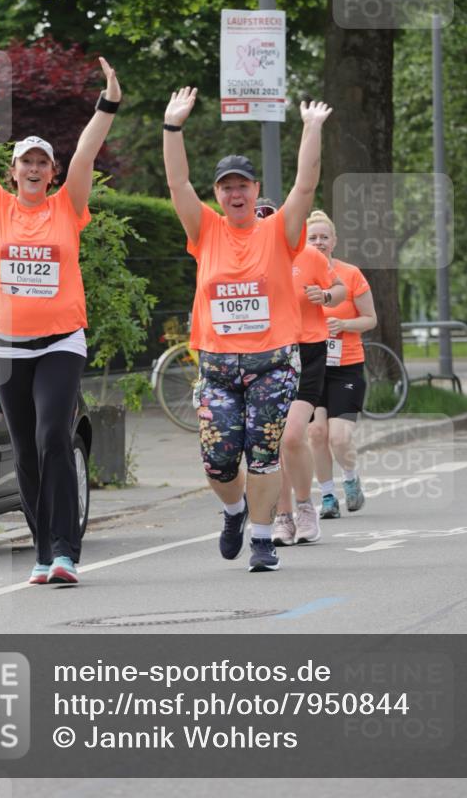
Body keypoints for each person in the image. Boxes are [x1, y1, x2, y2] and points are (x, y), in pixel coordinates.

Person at [0, 50, 121, 585]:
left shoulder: (67, 206)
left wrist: (108, 103)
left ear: (51, 173)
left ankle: (65, 550)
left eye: (42, 163)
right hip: (8, 348)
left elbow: (86, 152)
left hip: (60, 343)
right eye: (25, 162)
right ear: (12, 171)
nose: (34, 169)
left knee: (55, 434)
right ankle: (41, 553)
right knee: (28, 448)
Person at [163, 86, 332, 572]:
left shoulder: (279, 230)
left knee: (262, 455)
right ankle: (234, 512)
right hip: (216, 366)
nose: (235, 194)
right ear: (218, 194)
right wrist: (173, 127)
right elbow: (178, 185)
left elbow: (306, 185)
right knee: (218, 460)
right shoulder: (206, 231)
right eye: (226, 187)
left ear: (256, 191)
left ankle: (262, 539)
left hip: (273, 364)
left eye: (243, 186)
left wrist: (312, 128)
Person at [272, 235, 346, 547]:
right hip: (268, 353)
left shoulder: (309, 255)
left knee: (291, 436)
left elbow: (340, 289)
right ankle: (282, 516)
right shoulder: (250, 260)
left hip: (308, 351)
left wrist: (326, 295)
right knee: (273, 443)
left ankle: (305, 508)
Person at [305, 210, 378, 518]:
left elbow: (371, 319)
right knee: (316, 434)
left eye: (324, 237)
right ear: (304, 242)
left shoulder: (350, 274)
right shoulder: (299, 275)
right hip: (311, 365)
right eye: (313, 238)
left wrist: (344, 324)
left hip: (346, 366)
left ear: (334, 241)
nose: (319, 242)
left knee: (339, 435)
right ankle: (328, 497)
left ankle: (350, 479)